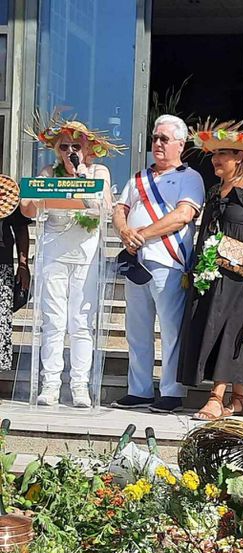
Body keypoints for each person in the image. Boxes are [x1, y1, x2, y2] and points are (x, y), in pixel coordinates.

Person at [178, 120, 243, 419]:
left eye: (223, 153)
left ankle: (216, 397)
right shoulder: (214, 193)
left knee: (233, 331)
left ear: (241, 157)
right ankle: (237, 399)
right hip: (214, 273)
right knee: (216, 327)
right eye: (214, 154)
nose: (216, 160)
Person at [21, 118, 117, 407]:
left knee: (81, 321)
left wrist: (82, 177)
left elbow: (106, 207)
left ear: (88, 148)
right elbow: (27, 208)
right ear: (57, 150)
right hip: (54, 250)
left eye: (76, 145)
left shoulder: (99, 171)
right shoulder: (49, 172)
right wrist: (38, 196)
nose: (70, 150)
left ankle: (80, 385)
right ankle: (50, 384)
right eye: (65, 146)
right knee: (53, 320)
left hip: (85, 252)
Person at [112, 115, 205, 413]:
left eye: (165, 138)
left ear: (181, 144)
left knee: (170, 329)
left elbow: (183, 215)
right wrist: (125, 232)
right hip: (136, 261)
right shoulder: (137, 178)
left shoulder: (190, 177)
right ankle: (139, 389)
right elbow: (120, 209)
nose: (158, 143)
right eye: (155, 138)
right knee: (136, 328)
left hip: (168, 261)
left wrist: (141, 234)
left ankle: (171, 391)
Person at [0, 207, 31, 372]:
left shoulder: (5, 191)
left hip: (2, 264)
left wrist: (23, 265)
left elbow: (21, 228)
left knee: (1, 323)